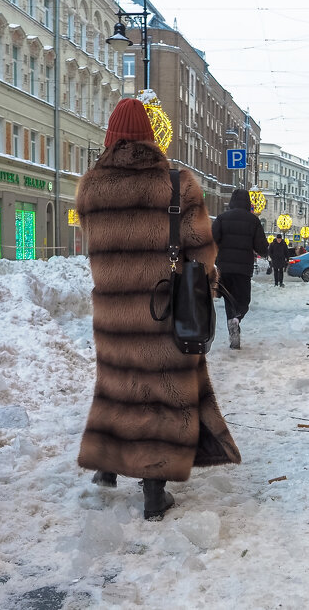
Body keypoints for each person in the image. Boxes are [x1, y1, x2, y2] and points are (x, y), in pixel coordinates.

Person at [75, 98, 241, 520]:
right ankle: (153, 489)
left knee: (118, 385)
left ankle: (109, 464)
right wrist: (207, 286)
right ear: (151, 136)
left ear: (110, 138)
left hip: (114, 316)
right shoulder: (178, 184)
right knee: (162, 394)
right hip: (164, 312)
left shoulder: (90, 187)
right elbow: (202, 256)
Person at [212, 190, 269, 349]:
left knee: (229, 300)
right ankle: (237, 320)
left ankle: (233, 330)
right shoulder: (253, 221)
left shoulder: (222, 218)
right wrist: (265, 251)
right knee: (243, 301)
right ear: (248, 202)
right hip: (243, 269)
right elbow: (261, 247)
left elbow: (211, 240)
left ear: (232, 201)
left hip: (224, 268)